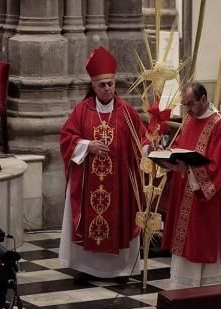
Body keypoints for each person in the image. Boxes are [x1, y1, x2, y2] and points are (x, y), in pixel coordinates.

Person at [59, 46, 146, 285]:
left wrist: (152, 147)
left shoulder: (126, 111)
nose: (107, 88)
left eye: (110, 83)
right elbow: (66, 138)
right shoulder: (82, 111)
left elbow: (143, 140)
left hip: (118, 185)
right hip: (89, 185)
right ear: (93, 86)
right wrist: (87, 145)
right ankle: (87, 267)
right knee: (90, 223)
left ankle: (119, 271)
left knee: (118, 220)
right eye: (102, 85)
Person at [161, 82, 221, 288]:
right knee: (185, 251)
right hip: (186, 198)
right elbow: (181, 146)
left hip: (207, 204)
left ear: (204, 99)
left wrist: (189, 168)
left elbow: (218, 169)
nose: (187, 109)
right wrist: (168, 157)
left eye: (191, 104)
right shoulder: (190, 119)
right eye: (184, 104)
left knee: (203, 249)